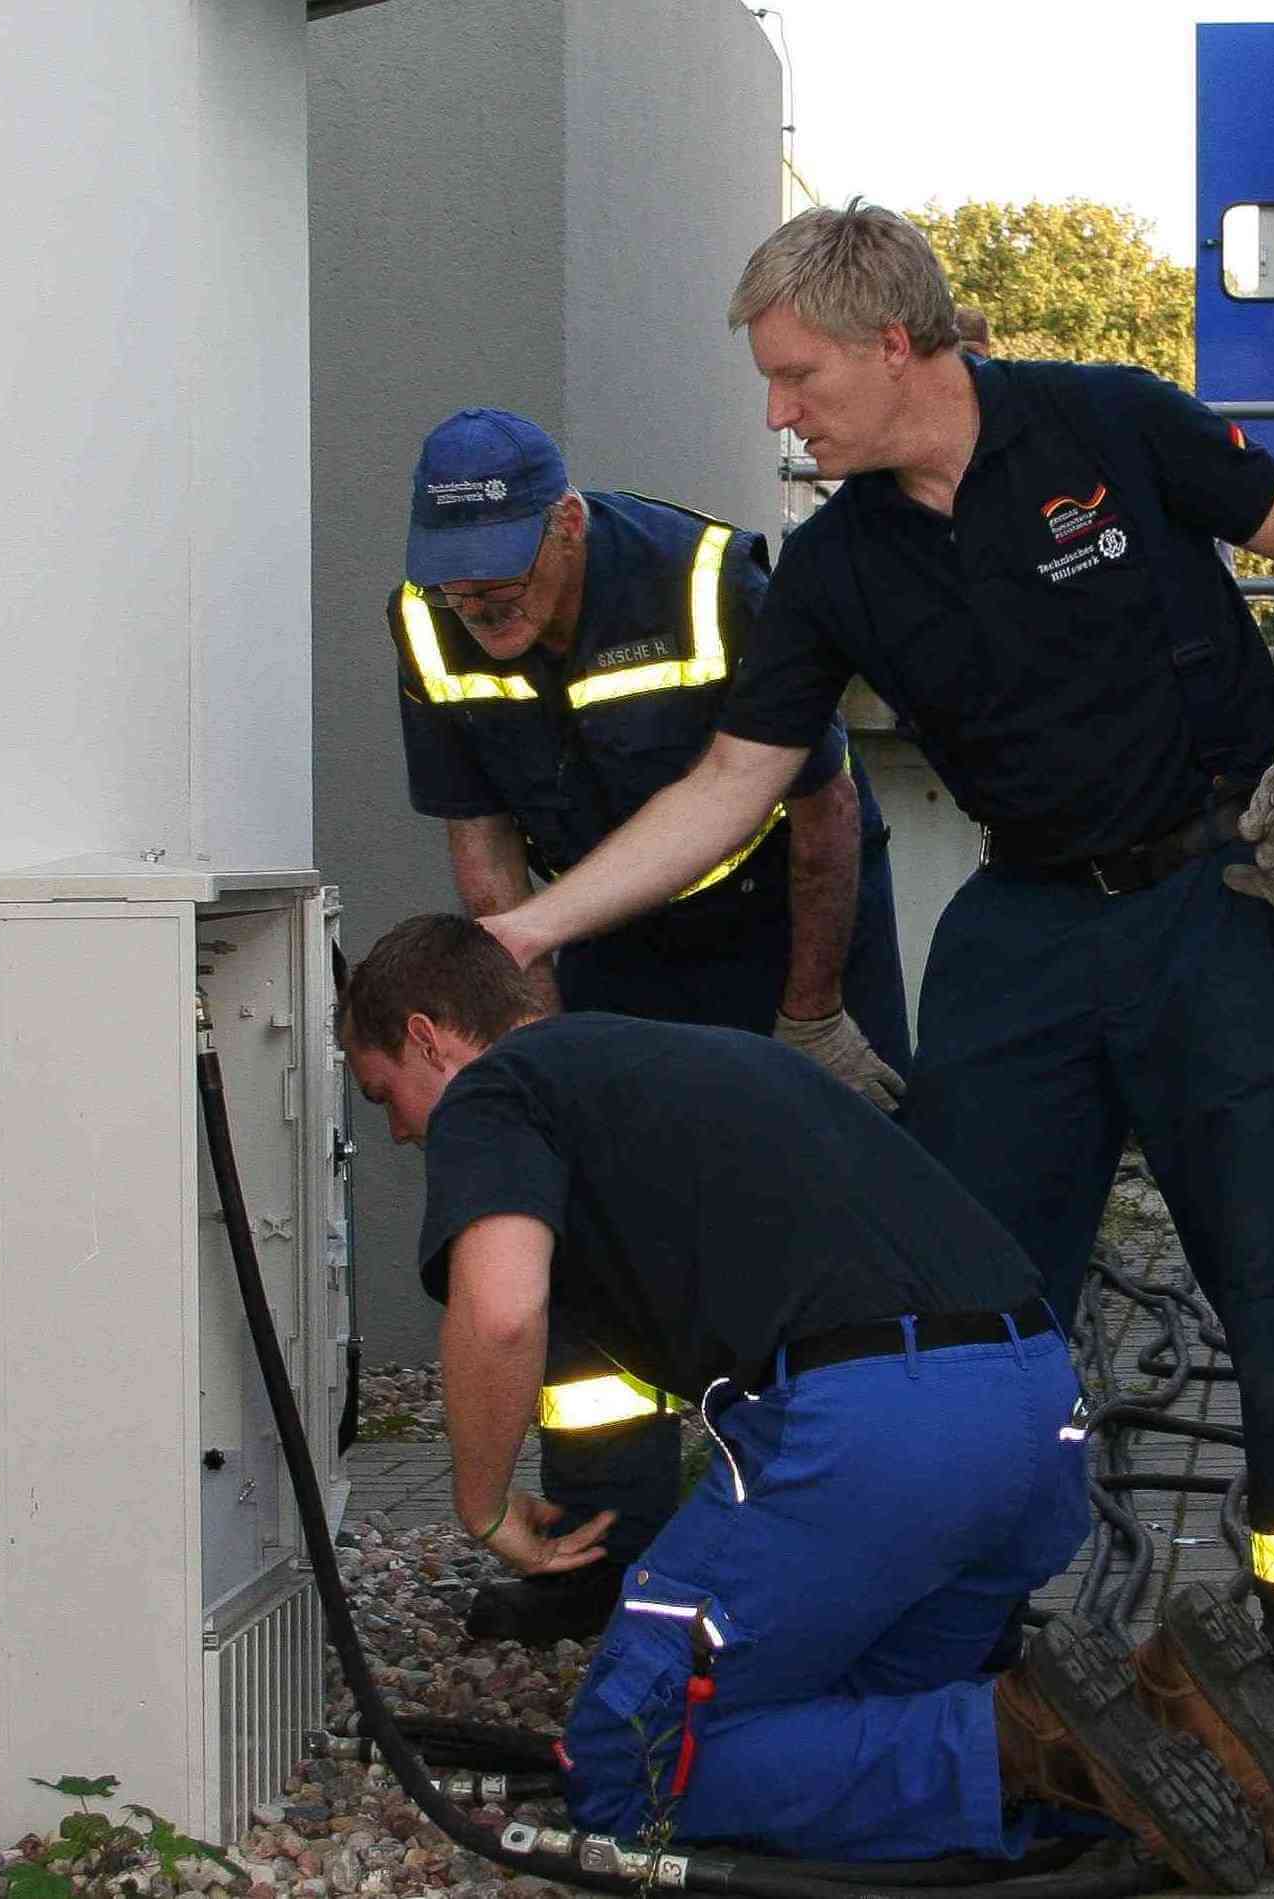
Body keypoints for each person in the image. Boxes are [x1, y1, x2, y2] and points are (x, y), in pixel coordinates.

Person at [476, 203, 1274, 1746]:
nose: (777, 411)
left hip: (1214, 900)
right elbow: (730, 784)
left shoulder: (1106, 416)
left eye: (796, 376)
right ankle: (961, 1622)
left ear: (892, 343)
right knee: (959, 1299)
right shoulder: (836, 566)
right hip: (1026, 932)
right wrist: (536, 924)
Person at [338, 915, 1274, 1887]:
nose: (394, 1132)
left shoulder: (496, 1089)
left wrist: (481, 1507)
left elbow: (502, 1313)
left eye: (385, 1094)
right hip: (1033, 1408)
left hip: (874, 1433)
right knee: (843, 1708)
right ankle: (1173, 1729)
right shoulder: (695, 1059)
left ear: (430, 1038)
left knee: (630, 1764)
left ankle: (1027, 1742)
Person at [389, 407, 913, 1646]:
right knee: (579, 1238)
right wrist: (542, 1057)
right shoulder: (429, 619)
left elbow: (825, 814)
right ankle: (598, 1558)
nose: (479, 605)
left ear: (566, 524)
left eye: (504, 575)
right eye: (456, 582)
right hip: (599, 928)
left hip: (782, 915)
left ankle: (831, 1557)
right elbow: (485, 854)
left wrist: (813, 1018)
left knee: (816, 1214)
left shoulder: (706, 580)